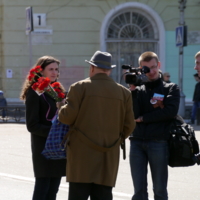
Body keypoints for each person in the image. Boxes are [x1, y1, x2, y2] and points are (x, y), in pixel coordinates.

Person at [57, 50, 136, 200]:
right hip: (108, 153)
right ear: (109, 70)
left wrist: (60, 107)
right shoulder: (124, 93)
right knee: (103, 195)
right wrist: (116, 139)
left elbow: (67, 118)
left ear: (92, 67)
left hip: (81, 156)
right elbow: (129, 125)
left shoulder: (79, 87)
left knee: (78, 194)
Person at [129, 52, 180, 200]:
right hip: (137, 141)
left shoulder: (170, 88)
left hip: (159, 142)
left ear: (158, 65)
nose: (151, 72)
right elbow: (133, 115)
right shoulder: (138, 90)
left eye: (153, 67)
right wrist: (132, 90)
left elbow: (170, 112)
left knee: (159, 190)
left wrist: (144, 118)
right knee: (138, 191)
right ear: (140, 69)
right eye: (146, 69)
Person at [20, 56, 66, 200]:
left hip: (58, 147)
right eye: (50, 69)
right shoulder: (34, 92)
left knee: (53, 190)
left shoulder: (57, 91)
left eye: (56, 69)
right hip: (43, 148)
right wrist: (54, 133)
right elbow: (32, 125)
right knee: (42, 189)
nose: (54, 73)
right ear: (41, 71)